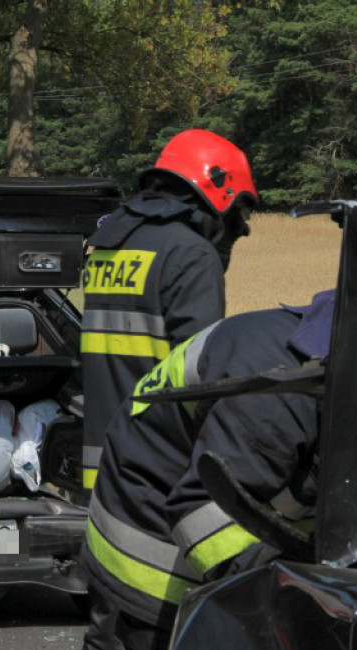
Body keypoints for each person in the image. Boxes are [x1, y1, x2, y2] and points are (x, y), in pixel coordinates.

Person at [75, 290, 334, 650]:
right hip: (149, 522)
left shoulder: (343, 369)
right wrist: (292, 587)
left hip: (211, 507)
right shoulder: (280, 384)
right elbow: (203, 516)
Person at [80, 129, 258, 491]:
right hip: (158, 471)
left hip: (101, 464)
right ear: (218, 190)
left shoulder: (111, 245)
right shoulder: (191, 255)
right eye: (236, 210)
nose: (237, 226)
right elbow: (201, 375)